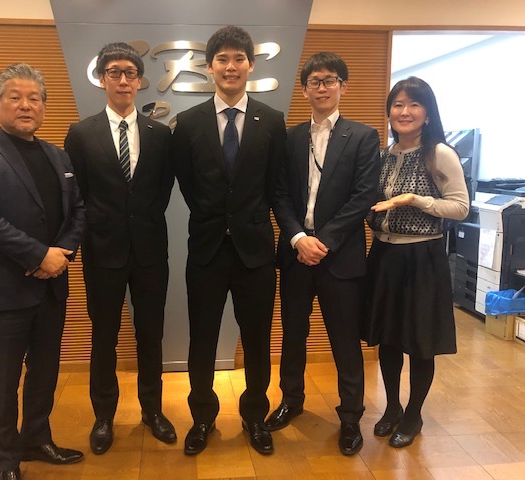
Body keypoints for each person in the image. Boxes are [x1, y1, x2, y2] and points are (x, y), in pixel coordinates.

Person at [0, 63, 86, 480]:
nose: (26, 105)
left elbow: (78, 210)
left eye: (34, 98)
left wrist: (62, 254)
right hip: (3, 288)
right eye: (15, 97)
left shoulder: (58, 156)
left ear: (43, 107)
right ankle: (7, 461)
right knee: (2, 381)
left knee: (44, 373)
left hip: (51, 286)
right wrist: (38, 255)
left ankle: (36, 439)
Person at [172, 25, 286, 456]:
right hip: (206, 250)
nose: (231, 66)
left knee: (257, 339)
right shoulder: (188, 123)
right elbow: (188, 184)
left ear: (251, 65)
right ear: (210, 67)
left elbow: (275, 186)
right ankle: (202, 417)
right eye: (223, 59)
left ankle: (255, 416)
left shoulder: (271, 121)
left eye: (239, 58)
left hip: (256, 252)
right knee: (202, 339)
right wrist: (214, 218)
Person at [64, 42, 176, 455]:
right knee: (104, 337)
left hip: (150, 252)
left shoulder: (161, 134)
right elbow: (78, 196)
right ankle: (104, 417)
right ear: (102, 79)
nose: (123, 80)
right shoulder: (81, 133)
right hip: (102, 252)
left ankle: (153, 411)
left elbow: (162, 190)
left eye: (130, 72)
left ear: (140, 80)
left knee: (151, 335)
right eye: (114, 72)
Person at [268, 52, 380, 456]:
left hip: (340, 257)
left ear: (342, 87)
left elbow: (363, 196)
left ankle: (350, 417)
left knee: (344, 340)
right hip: (296, 254)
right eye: (314, 81)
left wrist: (324, 241)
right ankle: (291, 400)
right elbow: (279, 193)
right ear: (304, 89)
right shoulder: (291, 138)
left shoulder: (364, 136)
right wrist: (298, 237)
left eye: (330, 80)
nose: (322, 87)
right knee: (293, 334)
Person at [364, 76, 469, 448]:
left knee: (421, 340)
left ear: (427, 112)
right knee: (388, 338)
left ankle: (413, 413)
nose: (404, 112)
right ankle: (392, 406)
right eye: (398, 104)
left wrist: (415, 200)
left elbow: (460, 207)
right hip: (384, 255)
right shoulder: (384, 155)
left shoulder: (439, 153)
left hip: (422, 257)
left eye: (414, 104)